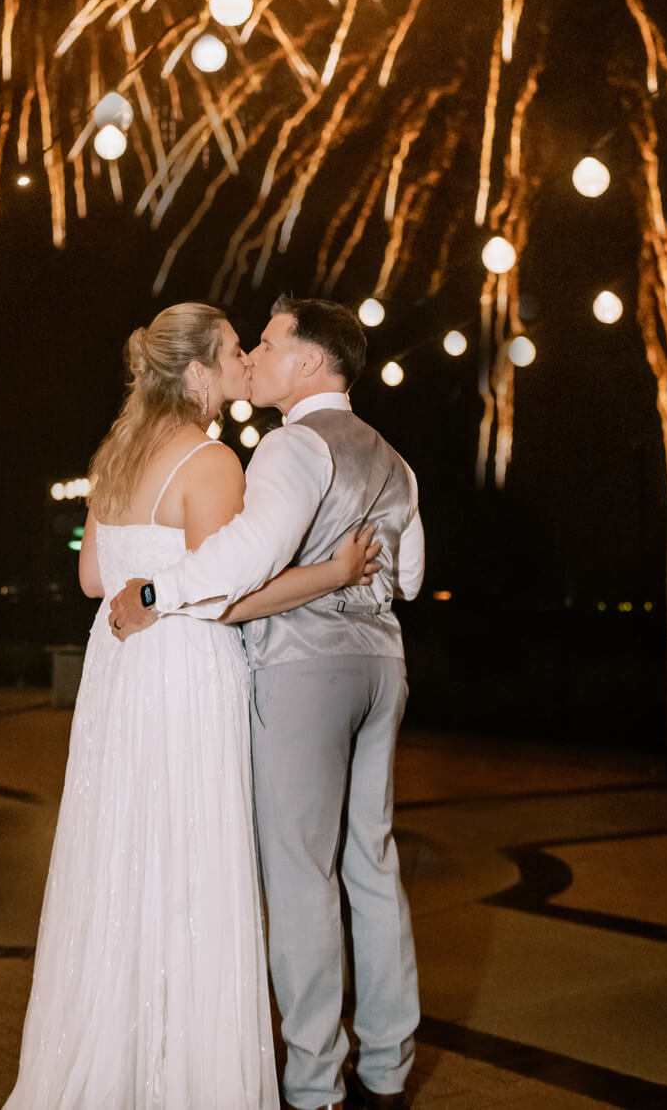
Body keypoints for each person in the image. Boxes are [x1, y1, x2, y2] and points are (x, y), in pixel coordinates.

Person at [3, 301, 378, 1110]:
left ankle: (114, 1056)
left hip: (119, 668)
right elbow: (225, 597)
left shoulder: (114, 454)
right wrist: (333, 574)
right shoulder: (213, 463)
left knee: (121, 858)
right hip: (184, 672)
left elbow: (93, 582)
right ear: (202, 369)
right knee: (191, 860)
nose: (247, 360)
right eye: (236, 349)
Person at [110, 296, 424, 1110]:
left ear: (312, 363)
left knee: (299, 876)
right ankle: (389, 1072)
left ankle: (316, 1084)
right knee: (373, 864)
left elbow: (245, 558)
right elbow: (411, 578)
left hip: (305, 669)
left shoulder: (293, 446)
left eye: (274, 342)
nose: (258, 351)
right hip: (382, 666)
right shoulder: (395, 458)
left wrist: (155, 588)